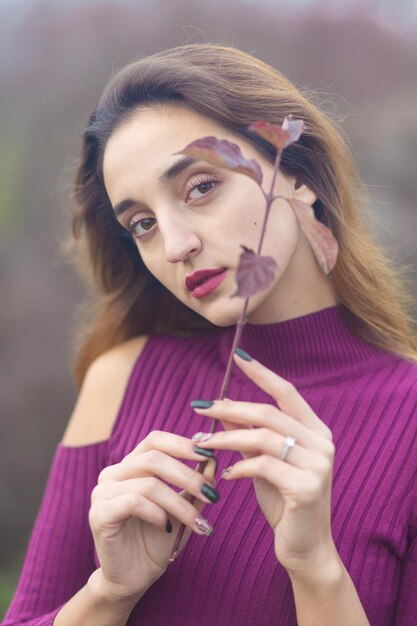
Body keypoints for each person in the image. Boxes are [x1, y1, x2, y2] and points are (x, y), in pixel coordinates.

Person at [3, 43, 417, 626]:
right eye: (141, 224)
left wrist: (315, 566)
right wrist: (109, 593)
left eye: (201, 187)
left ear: (297, 175)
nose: (175, 246)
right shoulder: (121, 378)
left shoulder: (410, 420)